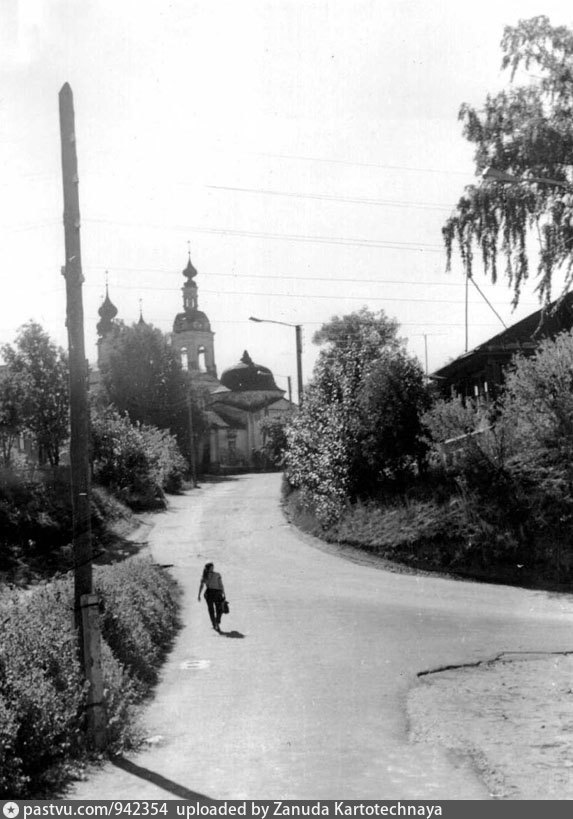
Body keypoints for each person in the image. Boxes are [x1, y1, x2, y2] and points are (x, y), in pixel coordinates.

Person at [198, 562, 226, 632]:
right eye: (212, 567)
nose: (213, 568)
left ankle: (214, 623)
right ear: (210, 568)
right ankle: (217, 622)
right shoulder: (217, 574)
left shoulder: (204, 576)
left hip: (209, 593)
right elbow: (221, 584)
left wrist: (199, 595)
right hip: (217, 593)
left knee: (211, 610)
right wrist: (223, 593)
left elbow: (201, 586)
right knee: (219, 609)